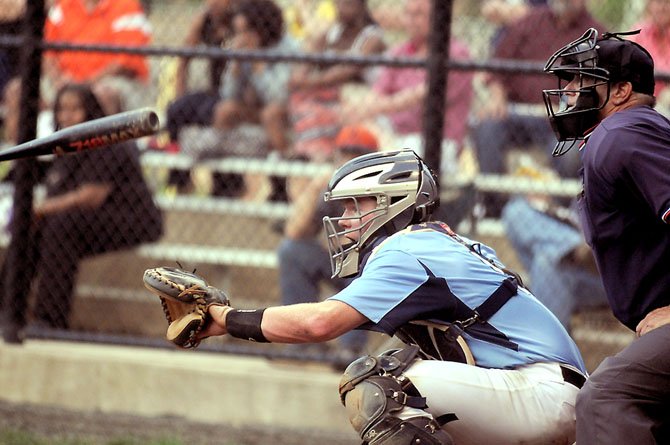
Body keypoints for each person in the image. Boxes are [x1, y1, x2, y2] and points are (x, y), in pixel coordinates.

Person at [194, 149, 587, 444]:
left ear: (391, 204)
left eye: (355, 205)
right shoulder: (432, 243)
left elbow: (319, 323)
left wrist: (226, 318)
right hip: (536, 391)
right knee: (402, 369)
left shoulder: (404, 250)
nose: (345, 218)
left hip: (541, 391)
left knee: (381, 385)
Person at [543, 28, 670, 443]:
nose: (571, 92)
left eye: (584, 81)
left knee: (606, 399)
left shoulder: (623, 132)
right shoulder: (621, 134)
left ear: (621, 91)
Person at [0, 83, 163, 329]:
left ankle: (50, 321)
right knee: (32, 228)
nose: (67, 116)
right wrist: (36, 214)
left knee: (60, 227)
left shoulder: (107, 141)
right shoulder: (65, 146)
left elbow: (91, 196)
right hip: (85, 220)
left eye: (75, 109)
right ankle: (7, 309)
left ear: (91, 111)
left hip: (131, 219)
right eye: (62, 110)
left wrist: (41, 209)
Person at [471, 0, 603, 184]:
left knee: (570, 150)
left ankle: (559, 209)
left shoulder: (596, 36)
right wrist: (497, 96)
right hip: (518, 112)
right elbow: (496, 66)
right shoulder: (530, 22)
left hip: (561, 121)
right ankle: (492, 205)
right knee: (487, 126)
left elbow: (600, 90)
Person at [339, 0, 473, 178]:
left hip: (436, 143)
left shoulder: (456, 54)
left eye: (418, 14)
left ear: (438, 18)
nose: (411, 20)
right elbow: (375, 96)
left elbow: (422, 94)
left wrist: (373, 108)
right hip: (392, 134)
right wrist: (361, 110)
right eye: (408, 14)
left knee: (399, 152)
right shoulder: (400, 52)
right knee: (355, 128)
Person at [278, 125, 378, 358]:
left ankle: (350, 349)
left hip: (372, 267)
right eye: (345, 153)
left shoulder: (381, 189)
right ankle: (302, 343)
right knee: (291, 251)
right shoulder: (332, 188)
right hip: (338, 263)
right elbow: (293, 231)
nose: (349, 160)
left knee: (358, 262)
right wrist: (315, 187)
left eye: (358, 154)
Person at [288, 0, 385, 163]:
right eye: (338, 4)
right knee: (299, 100)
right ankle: (310, 152)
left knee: (321, 108)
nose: (341, 8)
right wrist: (301, 76)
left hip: (359, 94)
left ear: (361, 7)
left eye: (348, 4)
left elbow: (348, 71)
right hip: (326, 93)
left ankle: (322, 153)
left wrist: (307, 82)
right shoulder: (331, 33)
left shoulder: (372, 37)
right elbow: (307, 61)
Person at [502, 191, 607, 329]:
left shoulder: (617, 178)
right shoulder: (581, 177)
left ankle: (550, 346)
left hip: (605, 280)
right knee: (515, 210)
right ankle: (572, 248)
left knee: (547, 262)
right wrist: (548, 204)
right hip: (573, 252)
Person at [43, 0, 153, 113]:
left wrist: (84, 84)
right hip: (66, 80)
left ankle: (106, 130)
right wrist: (58, 80)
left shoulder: (127, 5)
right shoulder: (63, 6)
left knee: (102, 94)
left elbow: (124, 61)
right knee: (32, 93)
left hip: (113, 80)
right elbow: (47, 53)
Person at [631, 0, 670, 112]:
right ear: (649, 5)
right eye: (658, 2)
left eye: (667, 3)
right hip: (643, 102)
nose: (662, 8)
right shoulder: (638, 36)